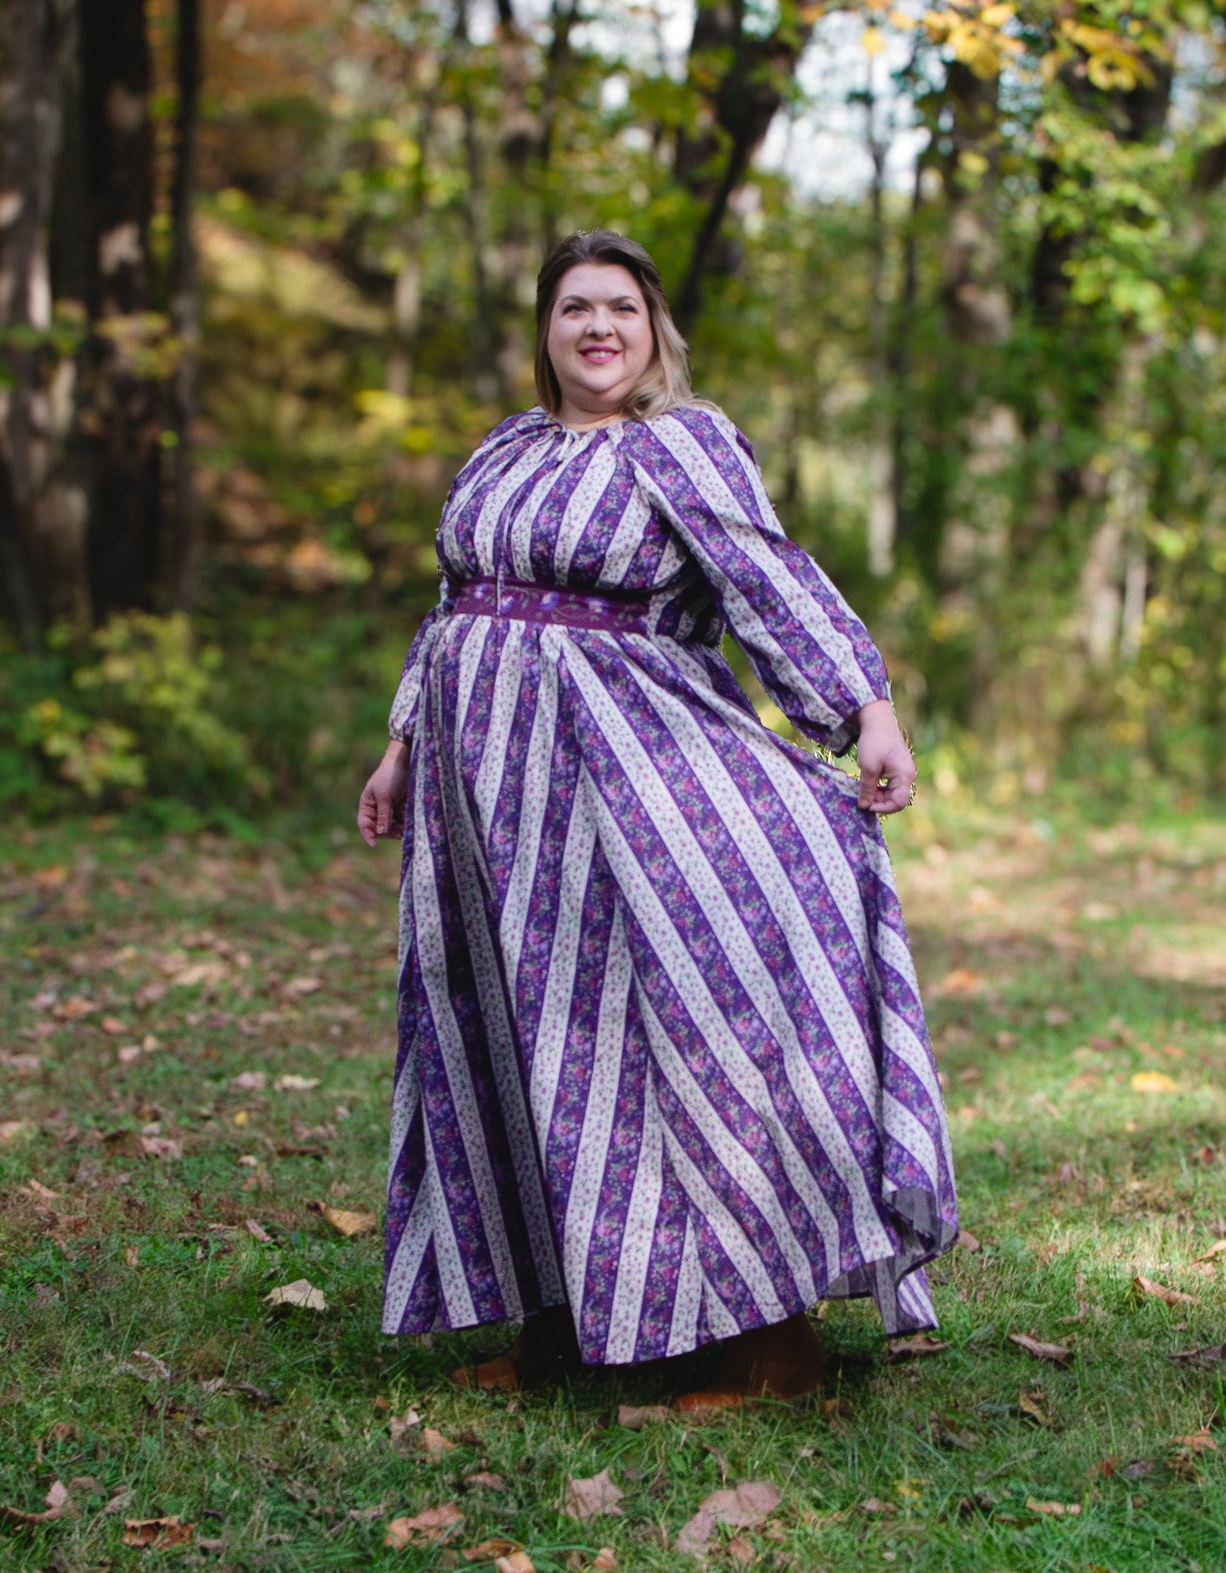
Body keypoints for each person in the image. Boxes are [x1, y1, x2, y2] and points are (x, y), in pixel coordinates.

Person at [358, 229, 957, 1414]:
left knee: (680, 1027)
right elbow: (450, 606)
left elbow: (766, 576)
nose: (596, 327)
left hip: (630, 773)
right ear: (545, 329)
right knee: (512, 1030)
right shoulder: (506, 449)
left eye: (619, 309)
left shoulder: (679, 444)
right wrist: (399, 746)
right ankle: (563, 1317)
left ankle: (762, 1338)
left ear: (652, 331)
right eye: (574, 307)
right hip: (485, 799)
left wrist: (863, 709)